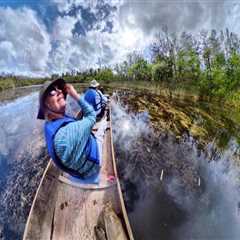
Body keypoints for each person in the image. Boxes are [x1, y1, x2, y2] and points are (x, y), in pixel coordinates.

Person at [37, 78, 106, 179]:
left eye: (59, 89)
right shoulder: (66, 134)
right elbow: (92, 115)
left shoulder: (50, 124)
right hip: (93, 168)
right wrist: (75, 95)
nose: (59, 91)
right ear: (46, 106)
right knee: (103, 124)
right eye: (52, 91)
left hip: (80, 168)